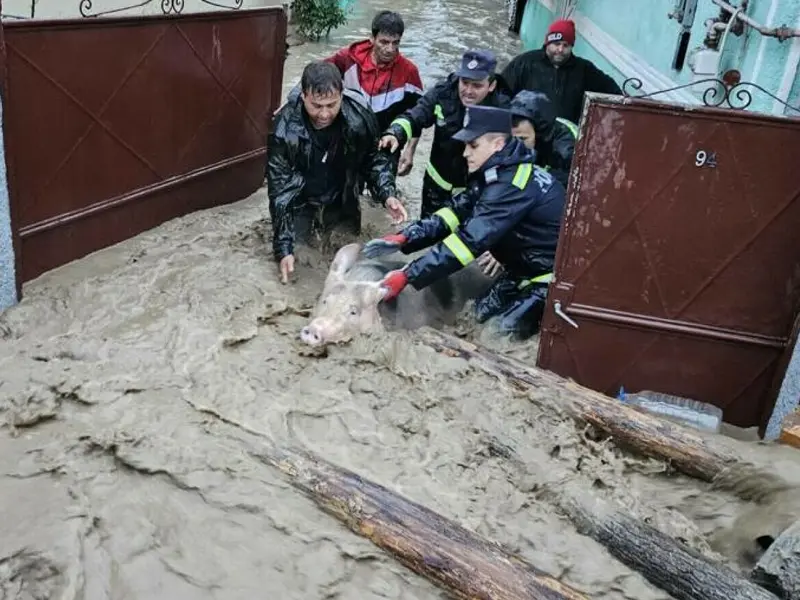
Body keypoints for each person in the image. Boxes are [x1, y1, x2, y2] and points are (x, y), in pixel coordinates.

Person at [363, 105, 566, 341]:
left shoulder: (511, 186)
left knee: (493, 338)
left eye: (473, 145)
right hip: (520, 272)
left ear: (498, 144)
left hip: (547, 281)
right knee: (472, 319)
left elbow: (466, 244)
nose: (465, 153)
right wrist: (406, 238)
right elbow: (453, 213)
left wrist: (408, 275)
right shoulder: (496, 174)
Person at [267, 61, 407, 284]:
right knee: (299, 256)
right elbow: (280, 191)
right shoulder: (284, 130)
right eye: (316, 106)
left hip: (342, 193)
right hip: (302, 197)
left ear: (342, 95)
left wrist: (387, 193)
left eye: (332, 105)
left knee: (348, 251)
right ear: (303, 96)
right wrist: (283, 247)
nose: (324, 114)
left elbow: (373, 159)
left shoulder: (359, 117)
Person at [380, 49, 512, 219]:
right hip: (436, 187)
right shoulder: (443, 93)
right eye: (464, 82)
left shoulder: (501, 110)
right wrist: (395, 133)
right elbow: (415, 115)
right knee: (427, 233)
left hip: (475, 192)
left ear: (492, 86)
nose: (468, 91)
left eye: (477, 85)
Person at [325, 10, 424, 176]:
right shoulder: (347, 59)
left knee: (383, 193)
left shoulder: (409, 72)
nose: (390, 49)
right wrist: (291, 103)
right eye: (384, 42)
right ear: (372, 38)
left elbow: (419, 115)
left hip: (387, 142)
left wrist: (410, 151)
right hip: (350, 138)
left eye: (395, 43)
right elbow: (316, 78)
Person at [501, 18, 621, 125]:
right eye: (556, 44)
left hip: (564, 137)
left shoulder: (584, 69)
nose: (560, 50)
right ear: (548, 43)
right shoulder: (525, 62)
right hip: (528, 132)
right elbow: (502, 91)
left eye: (566, 45)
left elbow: (612, 92)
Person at [509, 90, 576, 188]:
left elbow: (567, 182)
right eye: (512, 138)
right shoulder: (525, 130)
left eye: (522, 138)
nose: (516, 144)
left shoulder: (565, 150)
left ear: (538, 133)